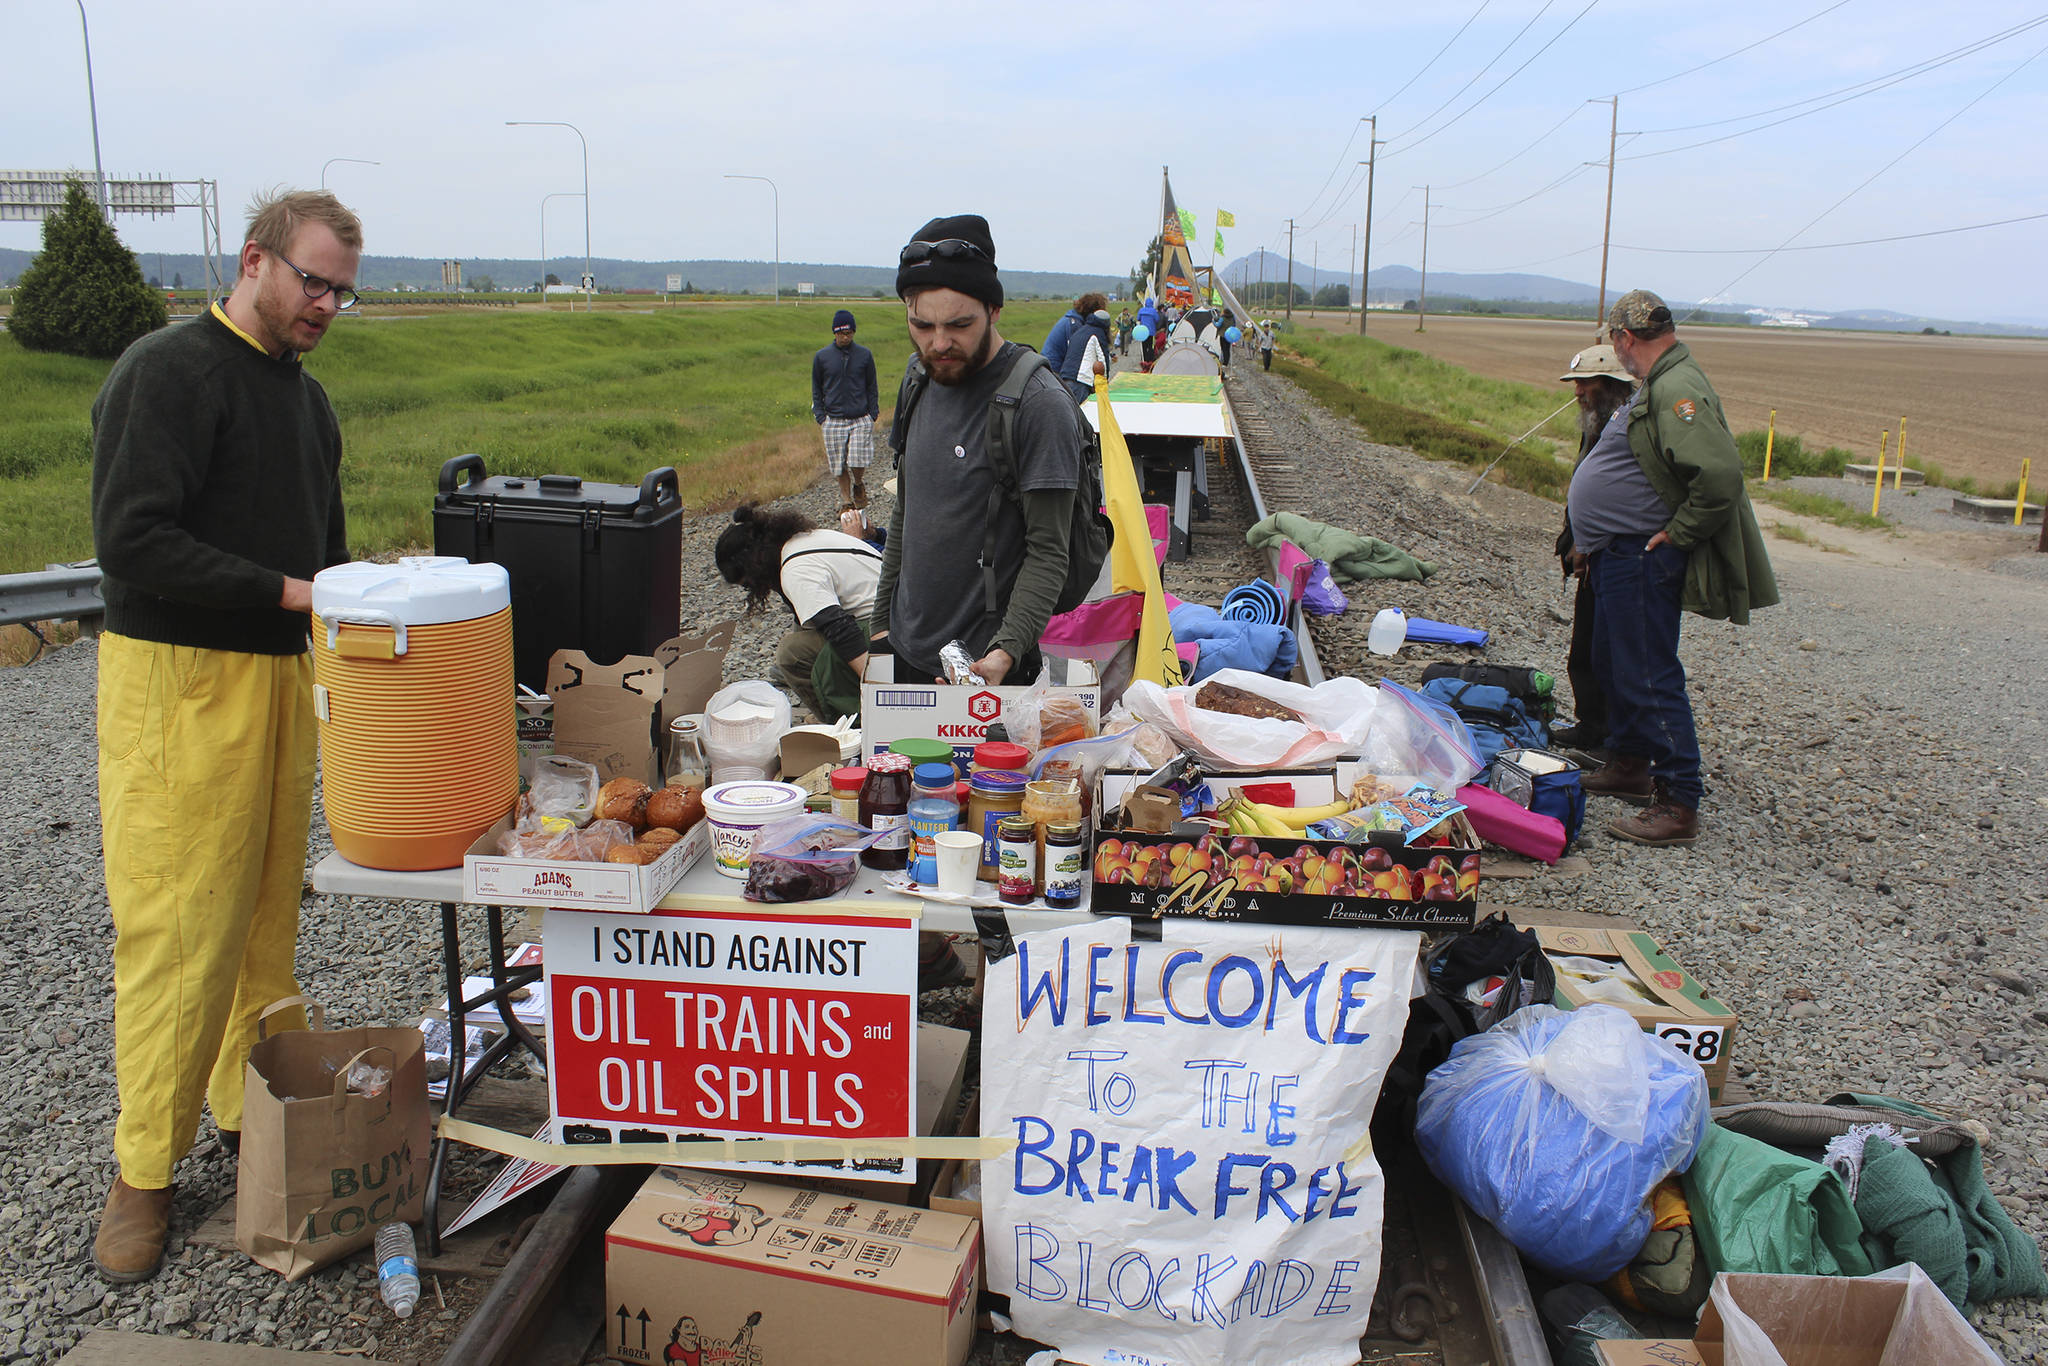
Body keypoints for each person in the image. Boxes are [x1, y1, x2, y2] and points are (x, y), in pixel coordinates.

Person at [88, 188, 363, 1282]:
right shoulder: (166, 370)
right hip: (176, 680)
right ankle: (140, 1171)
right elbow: (131, 539)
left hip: (277, 677)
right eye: (312, 280)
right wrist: (289, 591)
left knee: (258, 919)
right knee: (175, 926)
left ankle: (245, 1109)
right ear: (254, 260)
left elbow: (327, 567)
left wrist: (339, 631)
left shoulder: (309, 406)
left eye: (342, 288)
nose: (327, 305)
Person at [1572, 290, 1778, 846]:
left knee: (1648, 675)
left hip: (1643, 557)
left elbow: (1718, 477)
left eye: (1616, 343)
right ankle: (1631, 763)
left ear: (1623, 338)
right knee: (1614, 663)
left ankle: (1678, 801)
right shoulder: (1660, 384)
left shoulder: (1677, 388)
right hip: (1618, 553)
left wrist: (1678, 534)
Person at [871, 213, 1085, 689]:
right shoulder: (918, 377)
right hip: (906, 652)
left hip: (989, 671)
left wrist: (1007, 651)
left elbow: (1050, 551)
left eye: (959, 325)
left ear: (993, 310)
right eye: (921, 325)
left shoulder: (1039, 405)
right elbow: (909, 509)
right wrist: (880, 627)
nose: (939, 343)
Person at [714, 501, 881, 723]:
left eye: (748, 585)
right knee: (803, 627)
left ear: (754, 568)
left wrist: (881, 689)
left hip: (885, 629)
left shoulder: (795, 570)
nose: (753, 591)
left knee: (791, 654)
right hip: (897, 615)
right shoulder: (805, 540)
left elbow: (841, 630)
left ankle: (844, 724)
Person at [1552, 342, 1635, 753]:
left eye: (1586, 383)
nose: (1578, 392)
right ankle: (1592, 727)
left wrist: (1591, 541)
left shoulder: (1631, 425)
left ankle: (1617, 743)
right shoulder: (1597, 422)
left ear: (1612, 384)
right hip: (1593, 554)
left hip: (1620, 556)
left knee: (1613, 655)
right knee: (1585, 649)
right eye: (1576, 383)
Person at [811, 309, 879, 510]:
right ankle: (846, 500)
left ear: (853, 332)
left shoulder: (865, 355)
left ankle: (858, 484)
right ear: (834, 333)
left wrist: (872, 412)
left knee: (857, 458)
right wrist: (821, 416)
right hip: (833, 418)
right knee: (837, 464)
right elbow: (816, 387)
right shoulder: (822, 357)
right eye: (841, 333)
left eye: (848, 333)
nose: (845, 337)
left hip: (860, 416)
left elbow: (871, 385)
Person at [1058, 307, 1113, 402]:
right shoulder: (1098, 334)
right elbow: (1102, 360)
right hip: (1081, 380)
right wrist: (1104, 382)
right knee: (1081, 413)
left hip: (1065, 377)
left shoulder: (1081, 330)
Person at [1039, 292, 1104, 369]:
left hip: (1051, 364)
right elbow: (1075, 355)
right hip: (1053, 367)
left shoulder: (1073, 319)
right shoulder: (1074, 324)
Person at [1136, 296, 1162, 365]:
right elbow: (1157, 319)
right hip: (1151, 331)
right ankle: (1150, 359)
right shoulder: (1153, 311)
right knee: (1150, 346)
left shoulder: (1141, 310)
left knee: (1144, 345)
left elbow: (1138, 318)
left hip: (1142, 331)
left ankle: (1144, 359)